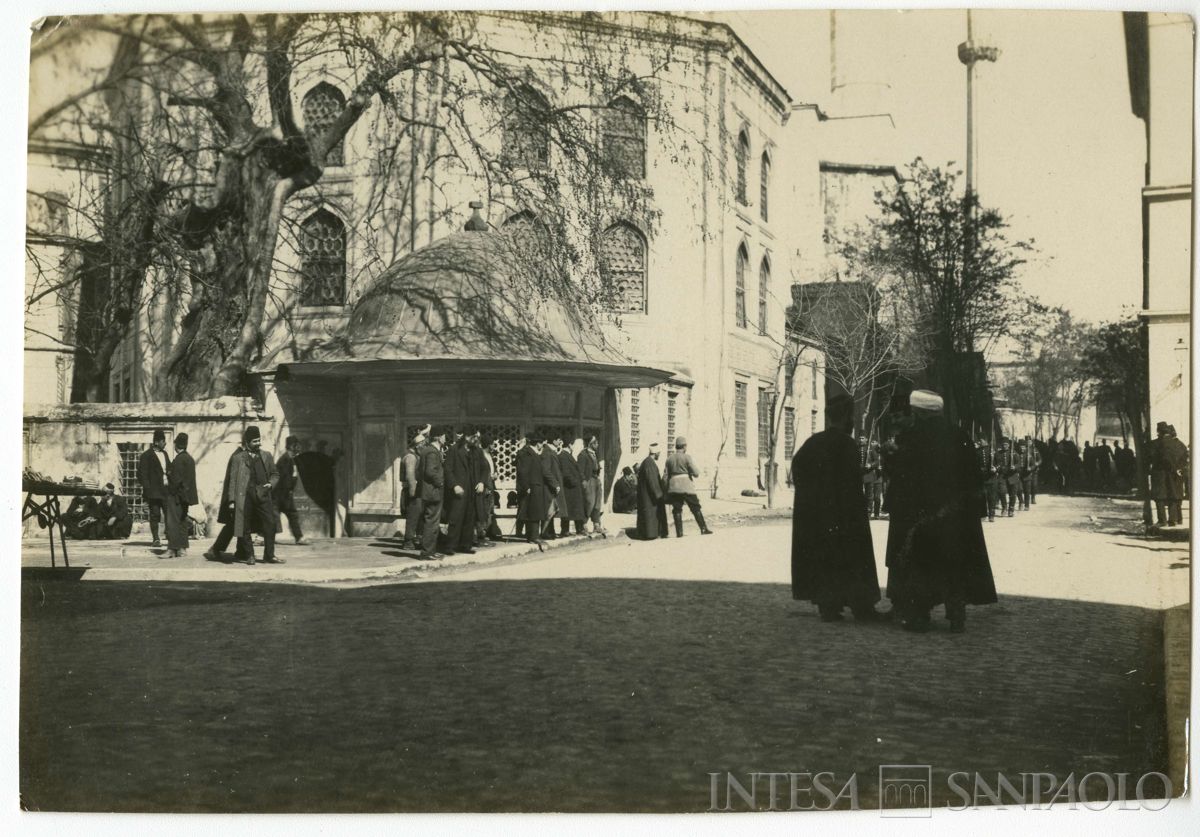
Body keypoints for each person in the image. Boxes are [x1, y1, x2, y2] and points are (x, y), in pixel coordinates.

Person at [884, 389, 997, 633]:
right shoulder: (959, 435)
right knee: (953, 566)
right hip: (954, 516)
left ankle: (920, 616)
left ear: (920, 413)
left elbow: (903, 477)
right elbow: (973, 477)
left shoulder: (911, 437)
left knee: (921, 567)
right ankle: (957, 616)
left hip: (923, 517)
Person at [790, 395, 883, 622]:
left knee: (825, 560)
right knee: (851, 559)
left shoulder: (812, 443)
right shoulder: (847, 445)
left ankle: (828, 607)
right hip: (844, 516)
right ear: (848, 419)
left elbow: (798, 474)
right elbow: (851, 482)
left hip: (818, 518)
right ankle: (862, 607)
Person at [205, 426, 283, 565]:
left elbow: (275, 474)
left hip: (263, 495)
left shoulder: (267, 455)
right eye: (255, 441)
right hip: (245, 497)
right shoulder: (238, 458)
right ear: (247, 443)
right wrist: (232, 501)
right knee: (244, 526)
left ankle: (269, 555)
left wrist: (270, 484)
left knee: (270, 524)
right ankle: (249, 556)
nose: (258, 443)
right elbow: (233, 481)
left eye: (259, 440)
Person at [662, 437, 712, 536]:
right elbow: (696, 473)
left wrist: (667, 488)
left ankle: (679, 533)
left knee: (677, 509)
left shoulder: (669, 459)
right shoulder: (687, 457)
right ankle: (703, 528)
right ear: (684, 446)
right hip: (686, 486)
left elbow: (665, 477)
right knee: (695, 507)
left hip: (674, 487)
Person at [443, 428, 478, 555]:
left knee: (469, 518)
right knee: (455, 518)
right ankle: (450, 546)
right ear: (467, 437)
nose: (476, 439)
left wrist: (480, 482)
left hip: (471, 489)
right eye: (474, 437)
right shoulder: (454, 450)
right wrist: (454, 485)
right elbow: (447, 469)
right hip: (459, 488)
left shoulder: (474, 451)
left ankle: (465, 545)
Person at [416, 426, 448, 559]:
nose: (445, 438)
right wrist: (440, 482)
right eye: (444, 436)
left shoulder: (427, 450)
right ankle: (427, 552)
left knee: (431, 520)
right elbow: (430, 472)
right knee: (432, 522)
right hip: (433, 492)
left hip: (428, 491)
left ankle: (430, 551)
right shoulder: (432, 452)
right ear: (439, 437)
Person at [164, 432, 198, 558]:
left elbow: (176, 480)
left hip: (176, 496)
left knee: (173, 521)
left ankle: (172, 549)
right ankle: (182, 549)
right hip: (186, 497)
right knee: (183, 521)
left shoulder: (178, 460)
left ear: (176, 445)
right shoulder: (190, 459)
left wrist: (168, 475)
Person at [1149, 421, 1188, 526]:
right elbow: (1185, 456)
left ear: (1158, 431)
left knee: (1159, 497)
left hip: (1159, 473)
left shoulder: (1154, 443)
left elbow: (1149, 457)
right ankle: (1173, 520)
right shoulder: (1178, 444)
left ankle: (1162, 520)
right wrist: (1178, 467)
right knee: (1173, 495)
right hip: (1173, 473)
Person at [137, 429, 171, 547]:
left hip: (166, 490)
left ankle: (170, 537)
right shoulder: (146, 456)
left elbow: (169, 469)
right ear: (156, 442)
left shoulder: (165, 454)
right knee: (155, 514)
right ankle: (156, 539)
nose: (165, 443)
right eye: (163, 441)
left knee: (169, 514)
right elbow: (141, 474)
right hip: (154, 492)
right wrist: (148, 489)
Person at [516, 435, 548, 548]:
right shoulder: (528, 453)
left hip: (536, 486)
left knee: (534, 511)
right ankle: (534, 537)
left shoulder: (532, 453)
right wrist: (526, 486)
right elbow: (523, 471)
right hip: (532, 486)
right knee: (533, 512)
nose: (542, 446)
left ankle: (532, 536)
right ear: (537, 443)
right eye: (541, 443)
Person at [473, 435, 503, 545]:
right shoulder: (480, 455)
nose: (494, 447)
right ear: (488, 445)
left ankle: (487, 533)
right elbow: (482, 472)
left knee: (490, 511)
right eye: (493, 444)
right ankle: (480, 535)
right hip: (485, 487)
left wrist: (495, 475)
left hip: (491, 486)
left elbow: (491, 470)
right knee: (483, 512)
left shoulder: (491, 456)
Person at [635, 442, 668, 540]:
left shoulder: (648, 462)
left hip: (647, 496)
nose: (660, 455)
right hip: (649, 498)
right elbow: (652, 481)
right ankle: (650, 534)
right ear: (656, 453)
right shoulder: (649, 463)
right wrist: (659, 495)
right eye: (659, 453)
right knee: (651, 516)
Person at [400, 431, 426, 549]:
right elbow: (410, 476)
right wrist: (413, 493)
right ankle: (408, 541)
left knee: (418, 516)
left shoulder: (415, 455)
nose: (424, 447)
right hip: (412, 491)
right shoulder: (411, 457)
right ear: (418, 445)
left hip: (416, 491)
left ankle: (416, 539)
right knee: (413, 516)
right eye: (423, 445)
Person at [578, 434, 607, 536]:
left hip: (595, 480)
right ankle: (583, 525)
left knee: (597, 504)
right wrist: (584, 482)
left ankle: (596, 525)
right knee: (589, 503)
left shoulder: (595, 454)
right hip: (589, 480)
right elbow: (580, 471)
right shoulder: (583, 455)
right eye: (595, 443)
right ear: (590, 444)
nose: (597, 444)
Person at [557, 438, 587, 536]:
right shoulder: (563, 456)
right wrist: (575, 482)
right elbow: (566, 473)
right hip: (569, 488)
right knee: (568, 510)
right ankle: (565, 530)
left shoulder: (568, 455)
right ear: (570, 445)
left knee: (576, 509)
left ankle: (579, 528)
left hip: (574, 488)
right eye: (573, 444)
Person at [540, 433, 563, 540]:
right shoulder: (547, 452)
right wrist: (554, 483)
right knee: (548, 510)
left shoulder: (551, 451)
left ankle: (551, 531)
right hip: (548, 486)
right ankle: (545, 532)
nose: (560, 442)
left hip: (552, 486)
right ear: (553, 441)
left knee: (552, 509)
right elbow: (546, 471)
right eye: (558, 439)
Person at [994, 437, 1020, 517]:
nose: (1004, 446)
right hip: (1002, 476)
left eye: (1006, 444)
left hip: (1012, 475)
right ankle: (1004, 507)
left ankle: (1011, 509)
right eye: (1003, 444)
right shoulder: (998, 453)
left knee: (1013, 494)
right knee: (1001, 492)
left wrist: (1015, 467)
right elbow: (995, 463)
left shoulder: (1014, 453)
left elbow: (1019, 464)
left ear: (1009, 445)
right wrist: (996, 468)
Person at [976, 438, 1000, 523]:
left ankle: (991, 515)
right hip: (982, 478)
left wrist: (995, 468)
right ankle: (983, 514)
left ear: (985, 440)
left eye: (980, 440)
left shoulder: (992, 450)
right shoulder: (977, 451)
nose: (979, 442)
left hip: (991, 478)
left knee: (992, 497)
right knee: (982, 497)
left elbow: (999, 463)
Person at [862, 439, 884, 519]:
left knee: (877, 497)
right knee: (869, 496)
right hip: (870, 476)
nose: (873, 443)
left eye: (874, 442)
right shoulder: (868, 451)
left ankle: (877, 513)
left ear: (878, 443)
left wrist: (882, 467)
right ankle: (869, 512)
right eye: (872, 442)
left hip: (878, 477)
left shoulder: (881, 452)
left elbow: (885, 462)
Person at [1021, 435, 1041, 506]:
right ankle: (1026, 498)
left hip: (1034, 470)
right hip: (1026, 470)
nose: (1028, 443)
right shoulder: (1023, 449)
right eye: (1027, 441)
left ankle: (1033, 497)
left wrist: (1037, 463)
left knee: (1034, 485)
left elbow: (1040, 459)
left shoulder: (1035, 450)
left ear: (1031, 442)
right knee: (1026, 485)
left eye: (1030, 441)